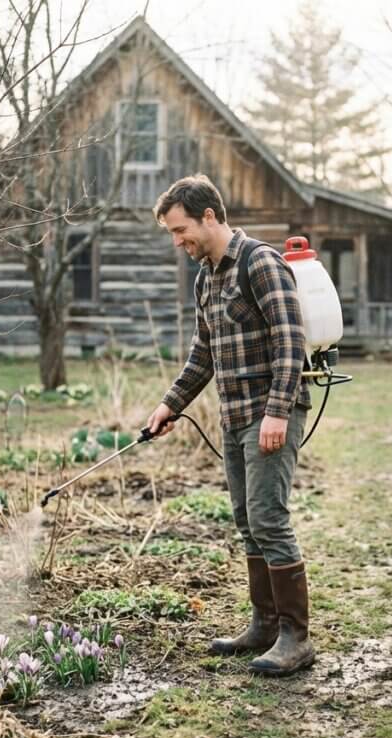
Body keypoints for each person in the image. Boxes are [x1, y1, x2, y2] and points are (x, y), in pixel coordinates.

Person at [145, 174, 314, 676]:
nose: (179, 242)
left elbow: (291, 341)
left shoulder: (260, 263)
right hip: (234, 414)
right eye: (173, 234)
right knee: (246, 522)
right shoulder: (206, 277)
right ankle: (264, 626)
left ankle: (296, 638)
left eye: (181, 231)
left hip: (270, 413)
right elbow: (204, 353)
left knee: (268, 518)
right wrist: (169, 404)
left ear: (210, 217)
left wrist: (278, 411)